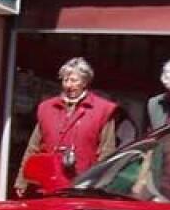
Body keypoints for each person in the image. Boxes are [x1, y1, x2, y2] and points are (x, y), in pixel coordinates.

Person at [14, 58, 117, 196]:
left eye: (74, 80)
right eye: (65, 80)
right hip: (48, 185)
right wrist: (22, 180)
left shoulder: (102, 110)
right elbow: (33, 148)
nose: (69, 85)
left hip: (84, 187)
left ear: (85, 82)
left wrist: (100, 185)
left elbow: (107, 152)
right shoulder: (46, 108)